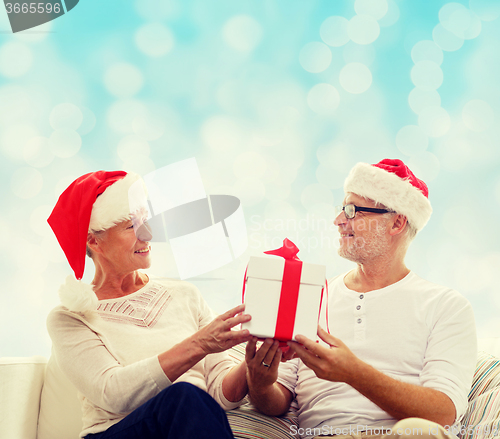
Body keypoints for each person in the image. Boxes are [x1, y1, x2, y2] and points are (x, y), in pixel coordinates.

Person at [245, 159, 477, 439]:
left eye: (353, 210)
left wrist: (353, 373)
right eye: (342, 209)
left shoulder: (446, 306)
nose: (339, 220)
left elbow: (442, 413)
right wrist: (260, 386)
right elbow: (276, 401)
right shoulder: (313, 296)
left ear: (397, 223)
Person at [46, 170, 253, 439]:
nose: (148, 233)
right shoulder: (70, 318)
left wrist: (252, 364)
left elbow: (221, 394)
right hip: (114, 433)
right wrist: (199, 344)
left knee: (188, 400)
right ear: (94, 241)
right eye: (132, 226)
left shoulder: (185, 294)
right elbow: (113, 393)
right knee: (183, 396)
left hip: (186, 426)